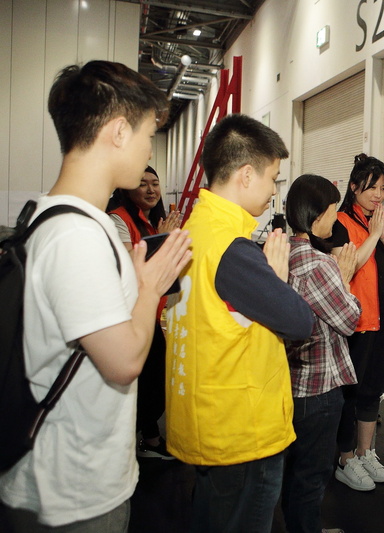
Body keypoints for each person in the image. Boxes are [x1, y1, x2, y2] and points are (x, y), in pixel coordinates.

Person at [0, 61, 191, 532]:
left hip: (76, 481)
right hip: (70, 495)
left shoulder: (64, 220)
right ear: (119, 131)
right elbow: (124, 360)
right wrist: (149, 287)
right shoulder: (76, 235)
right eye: (149, 134)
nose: (150, 149)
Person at [164, 114, 315, 533]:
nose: (273, 191)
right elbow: (300, 321)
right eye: (273, 178)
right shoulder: (232, 249)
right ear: (246, 176)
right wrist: (278, 280)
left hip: (208, 419)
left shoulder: (195, 230)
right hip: (242, 432)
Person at [329, 154, 384, 492]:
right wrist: (373, 234)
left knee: (374, 388)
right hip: (358, 318)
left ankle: (366, 452)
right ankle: (346, 458)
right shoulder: (338, 222)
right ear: (354, 187)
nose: (378, 194)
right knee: (352, 390)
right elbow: (346, 267)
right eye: (371, 187)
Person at [282, 174, 361, 533]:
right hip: (320, 388)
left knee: (294, 472)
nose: (336, 219)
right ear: (316, 220)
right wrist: (344, 277)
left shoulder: (280, 255)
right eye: (332, 212)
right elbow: (348, 319)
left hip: (291, 383)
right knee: (312, 475)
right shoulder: (319, 264)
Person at [108, 166, 183, 459]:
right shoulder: (118, 219)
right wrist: (161, 241)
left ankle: (150, 441)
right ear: (127, 188)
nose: (151, 190)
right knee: (147, 386)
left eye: (155, 184)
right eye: (142, 184)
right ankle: (127, 446)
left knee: (152, 385)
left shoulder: (154, 221)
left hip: (150, 313)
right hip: (130, 317)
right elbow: (128, 266)